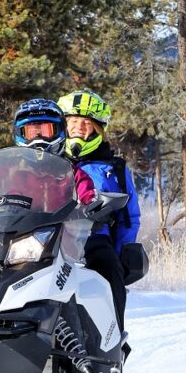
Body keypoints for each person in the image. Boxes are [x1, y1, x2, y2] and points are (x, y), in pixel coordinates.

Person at [56, 90, 141, 333]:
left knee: (109, 268)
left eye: (86, 123)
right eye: (73, 122)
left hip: (93, 237)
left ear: (97, 128)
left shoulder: (114, 167)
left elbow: (129, 217)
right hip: (47, 237)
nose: (79, 128)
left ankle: (112, 343)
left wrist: (121, 253)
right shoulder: (45, 159)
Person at [13, 98, 96, 204]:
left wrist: (94, 206)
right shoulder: (10, 175)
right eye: (32, 133)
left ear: (61, 131)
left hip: (67, 220)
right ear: (20, 134)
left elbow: (88, 197)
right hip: (19, 220)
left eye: (46, 131)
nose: (39, 139)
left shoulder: (73, 175)